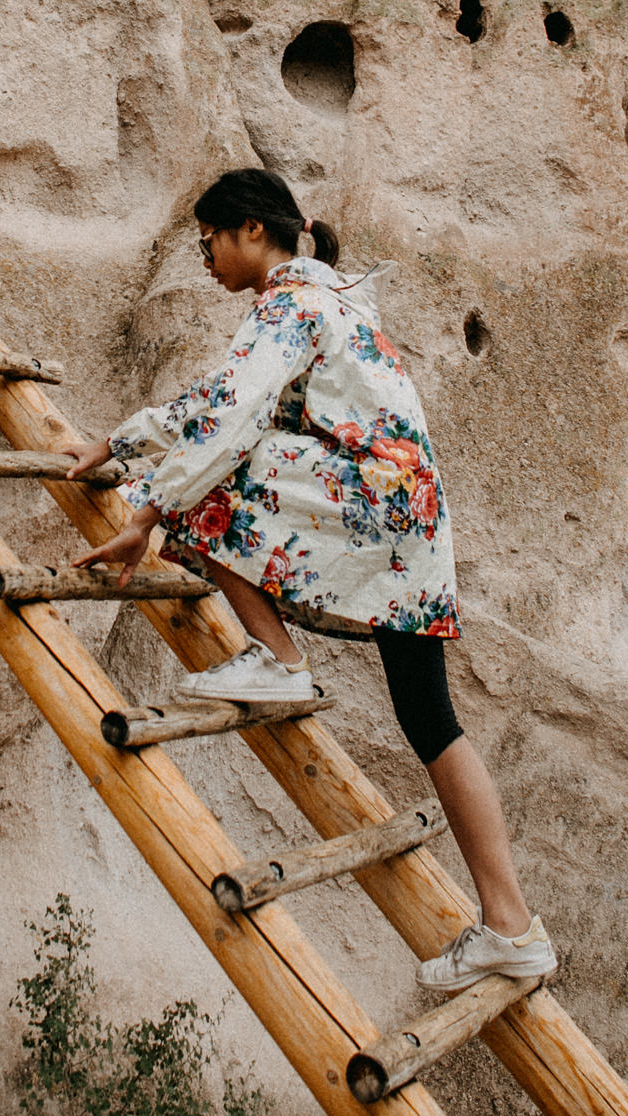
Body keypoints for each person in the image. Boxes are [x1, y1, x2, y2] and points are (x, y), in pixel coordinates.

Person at [65, 168, 556, 997]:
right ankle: (512, 927)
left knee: (216, 474)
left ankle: (276, 659)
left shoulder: (289, 301)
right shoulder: (335, 298)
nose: (206, 261)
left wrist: (144, 513)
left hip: (368, 503)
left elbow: (229, 418)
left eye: (210, 242)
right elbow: (218, 399)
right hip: (410, 519)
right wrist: (119, 442)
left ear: (252, 230)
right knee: (430, 717)